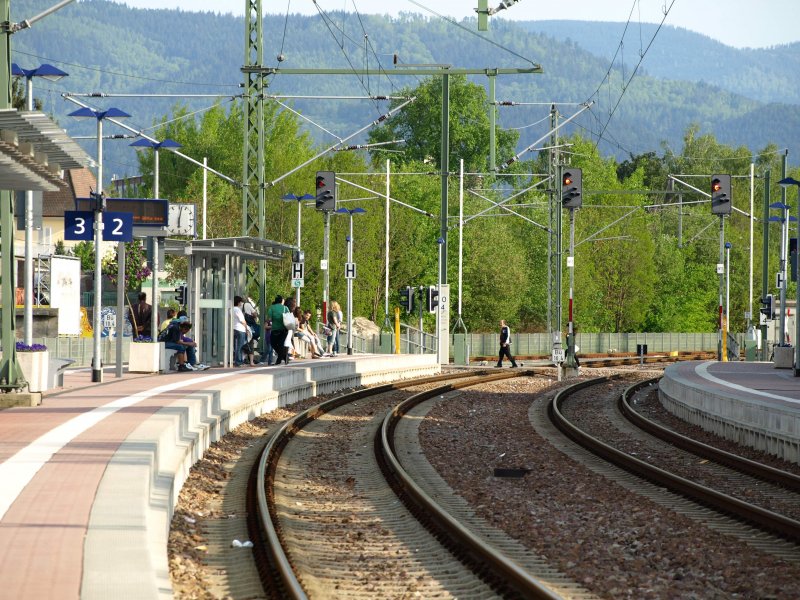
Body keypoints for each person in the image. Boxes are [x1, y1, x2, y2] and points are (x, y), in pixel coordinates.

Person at [267, 295, 290, 365]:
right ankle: (284, 356)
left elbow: (269, 319)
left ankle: (280, 359)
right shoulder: (285, 308)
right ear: (281, 301)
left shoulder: (271, 307)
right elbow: (289, 318)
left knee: (273, 343)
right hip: (284, 329)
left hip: (275, 329)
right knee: (281, 344)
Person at [231, 295, 248, 367]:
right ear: (238, 302)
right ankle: (239, 362)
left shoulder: (231, 309)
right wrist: (246, 328)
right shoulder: (237, 310)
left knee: (236, 346)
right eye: (241, 301)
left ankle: (238, 361)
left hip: (234, 329)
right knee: (240, 346)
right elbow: (242, 321)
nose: (241, 303)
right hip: (240, 329)